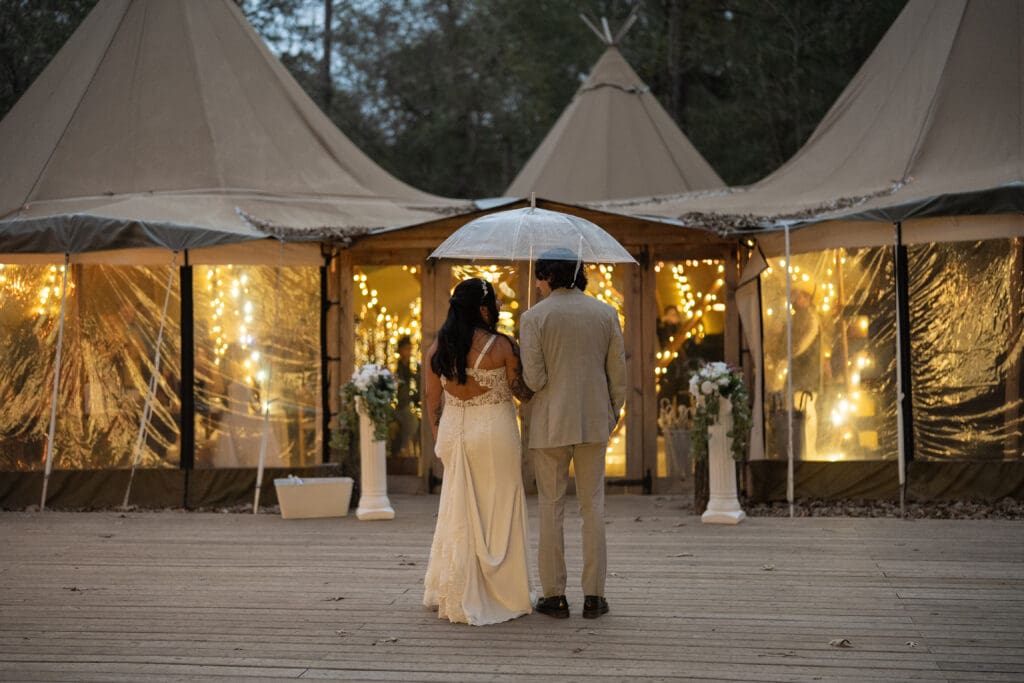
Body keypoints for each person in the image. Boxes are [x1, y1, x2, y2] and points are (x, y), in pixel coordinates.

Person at [519, 252, 627, 620]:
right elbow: (619, 374)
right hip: (594, 420)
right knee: (592, 507)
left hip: (551, 423)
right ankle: (595, 596)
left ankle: (554, 596)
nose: (535, 283)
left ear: (548, 275)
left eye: (538, 277)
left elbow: (534, 380)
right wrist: (611, 413)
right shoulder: (606, 313)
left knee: (551, 508)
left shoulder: (533, 318)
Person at [422, 278, 534, 625]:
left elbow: (432, 400)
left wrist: (440, 435)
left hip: (456, 431)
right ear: (484, 308)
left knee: (460, 510)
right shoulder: (501, 347)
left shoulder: (437, 348)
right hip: (494, 434)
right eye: (495, 303)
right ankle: (502, 591)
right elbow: (523, 393)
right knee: (499, 507)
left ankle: (457, 588)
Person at [389, 335, 420, 458]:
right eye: (405, 348)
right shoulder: (395, 368)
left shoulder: (414, 368)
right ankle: (403, 448)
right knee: (410, 421)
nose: (408, 352)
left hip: (411, 404)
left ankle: (406, 449)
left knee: (412, 422)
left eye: (409, 349)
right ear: (400, 350)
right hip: (398, 405)